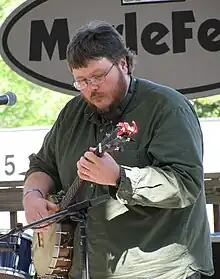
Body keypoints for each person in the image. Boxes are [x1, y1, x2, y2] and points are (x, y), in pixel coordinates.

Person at [22, 20, 214, 279]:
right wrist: (32, 195)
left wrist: (119, 178)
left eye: (98, 76)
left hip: (158, 271)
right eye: (81, 81)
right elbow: (43, 165)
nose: (91, 88)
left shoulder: (167, 107)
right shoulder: (71, 114)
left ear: (123, 63)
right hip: (87, 270)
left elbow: (186, 183)